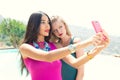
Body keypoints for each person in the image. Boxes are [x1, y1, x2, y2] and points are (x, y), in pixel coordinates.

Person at [19, 11, 109, 80]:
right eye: (43, 22)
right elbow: (48, 57)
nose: (48, 26)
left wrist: (98, 49)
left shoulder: (54, 45)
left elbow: (76, 63)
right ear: (34, 25)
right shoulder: (25, 48)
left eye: (48, 23)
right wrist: (86, 43)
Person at [50, 16, 84, 80]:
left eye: (60, 27)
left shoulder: (75, 42)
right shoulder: (56, 45)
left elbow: (81, 72)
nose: (59, 31)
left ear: (65, 25)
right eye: (55, 30)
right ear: (53, 33)